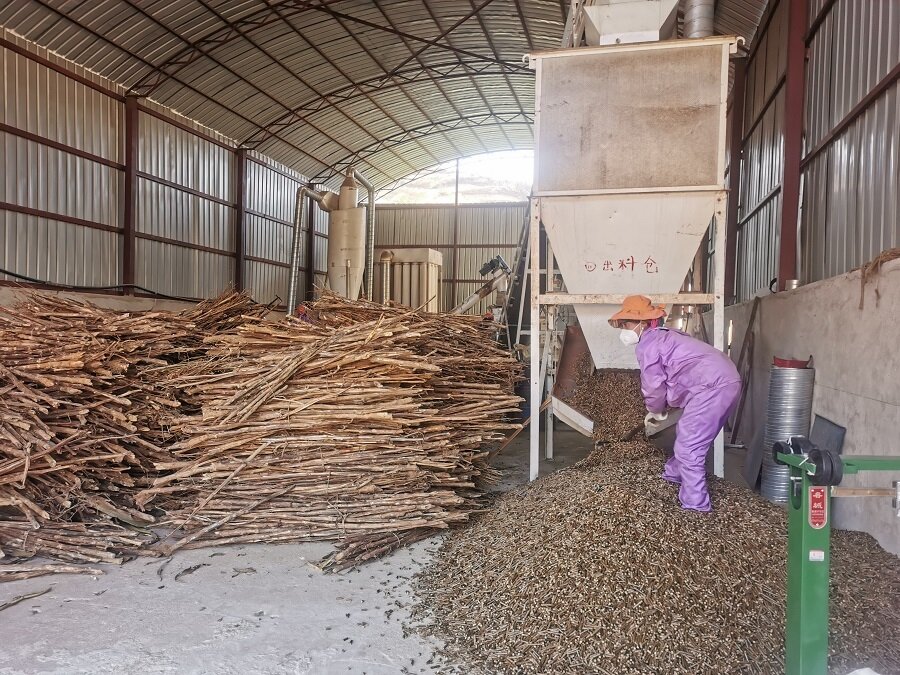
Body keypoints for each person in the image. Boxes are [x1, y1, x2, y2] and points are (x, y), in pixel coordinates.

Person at [609, 295, 741, 512]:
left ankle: (695, 505)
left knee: (689, 446)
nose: (624, 328)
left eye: (627, 323)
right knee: (689, 431)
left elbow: (653, 386)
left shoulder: (648, 344)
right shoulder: (664, 336)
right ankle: (674, 473)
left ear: (644, 322)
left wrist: (656, 410)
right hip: (724, 380)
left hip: (712, 386)